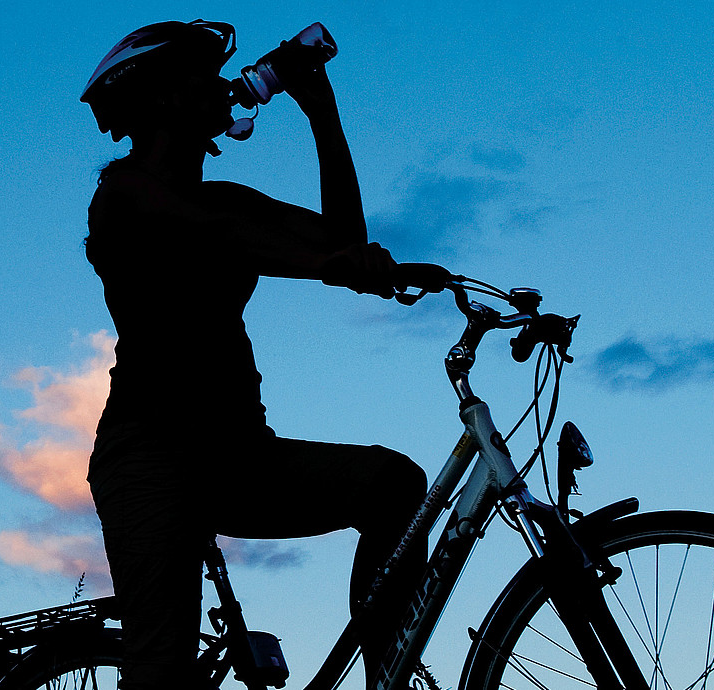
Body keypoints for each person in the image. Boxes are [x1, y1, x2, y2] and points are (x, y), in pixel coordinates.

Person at [78, 19, 448, 689]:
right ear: (160, 97)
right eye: (201, 76)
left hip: (240, 450)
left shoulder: (225, 198)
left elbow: (341, 235)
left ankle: (387, 678)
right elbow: (220, 233)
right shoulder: (124, 193)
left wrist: (322, 113)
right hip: (151, 456)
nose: (221, 85)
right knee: (162, 668)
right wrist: (332, 267)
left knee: (393, 485)